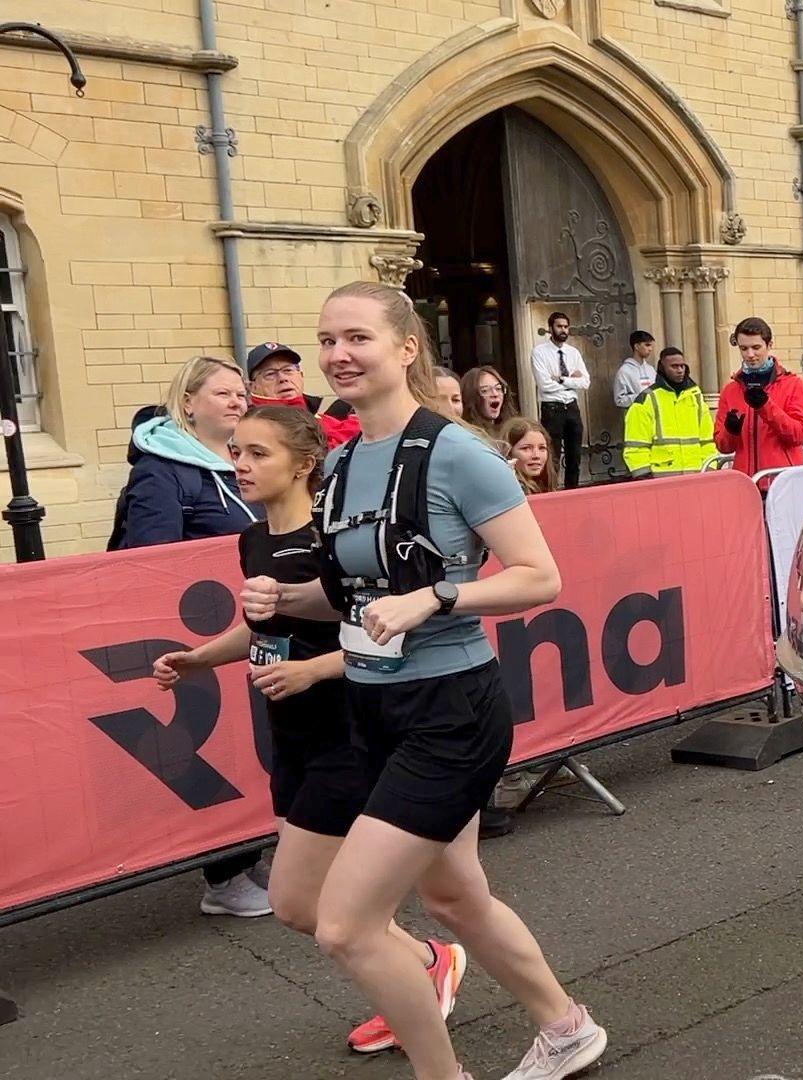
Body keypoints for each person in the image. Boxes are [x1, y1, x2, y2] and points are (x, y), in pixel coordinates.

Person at [242, 280, 606, 1080]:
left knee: (344, 923)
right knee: (452, 899)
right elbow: (351, 596)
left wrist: (438, 594)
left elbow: (539, 577)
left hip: (451, 708)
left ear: (406, 348)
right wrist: (282, 598)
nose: (339, 354)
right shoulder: (339, 462)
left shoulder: (458, 452)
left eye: (358, 338)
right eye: (328, 339)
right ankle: (566, 1026)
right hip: (373, 708)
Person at [151, 405, 466, 1055]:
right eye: (236, 451)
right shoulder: (252, 539)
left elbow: (390, 631)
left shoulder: (334, 539)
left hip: (348, 732)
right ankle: (427, 966)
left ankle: (425, 987)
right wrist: (200, 657)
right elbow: (265, 627)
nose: (240, 463)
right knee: (307, 906)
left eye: (258, 454)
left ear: (303, 464)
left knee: (303, 903)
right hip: (288, 736)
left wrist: (313, 672)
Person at [109, 354, 270, 916]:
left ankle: (247, 856)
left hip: (246, 624)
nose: (237, 401)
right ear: (188, 404)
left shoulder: (239, 460)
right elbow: (148, 563)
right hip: (195, 635)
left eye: (240, 393)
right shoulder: (160, 471)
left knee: (254, 743)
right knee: (218, 747)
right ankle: (225, 878)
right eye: (223, 393)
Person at [714, 316, 803, 482]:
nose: (750, 354)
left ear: (769, 345)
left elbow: (799, 435)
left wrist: (766, 407)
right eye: (744, 348)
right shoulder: (730, 390)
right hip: (746, 484)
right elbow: (723, 446)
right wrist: (731, 431)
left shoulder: (793, 384)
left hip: (782, 482)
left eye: (756, 347)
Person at [248, 341, 361, 448]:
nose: (283, 378)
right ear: (253, 387)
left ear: (301, 375)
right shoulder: (254, 425)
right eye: (270, 374)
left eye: (288, 370)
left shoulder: (320, 418)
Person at [623, 348, 716, 478]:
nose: (680, 370)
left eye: (682, 366)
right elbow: (635, 444)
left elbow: (708, 439)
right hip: (661, 480)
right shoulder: (647, 399)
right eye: (674, 366)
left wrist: (710, 467)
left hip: (696, 476)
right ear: (662, 368)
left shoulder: (696, 397)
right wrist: (643, 475)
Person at [532, 312, 589, 489]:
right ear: (550, 328)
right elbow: (544, 385)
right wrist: (572, 382)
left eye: (566, 327)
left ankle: (573, 491)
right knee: (552, 456)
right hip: (552, 409)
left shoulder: (573, 353)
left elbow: (585, 382)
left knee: (574, 456)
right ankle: (552, 492)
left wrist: (562, 379)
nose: (563, 330)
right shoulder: (539, 352)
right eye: (559, 326)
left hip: (572, 407)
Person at [460, 364, 518, 446]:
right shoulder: (468, 437)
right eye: (485, 391)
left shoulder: (511, 430)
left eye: (498, 388)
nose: (495, 394)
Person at [503, 416, 557, 496]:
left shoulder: (545, 483)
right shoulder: (509, 491)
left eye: (542, 448)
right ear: (508, 452)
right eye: (526, 448)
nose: (536, 455)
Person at [613, 330, 657, 410]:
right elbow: (619, 400)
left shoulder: (651, 370)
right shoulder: (624, 371)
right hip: (636, 414)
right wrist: (639, 397)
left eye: (651, 346)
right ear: (636, 346)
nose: (650, 349)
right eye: (647, 345)